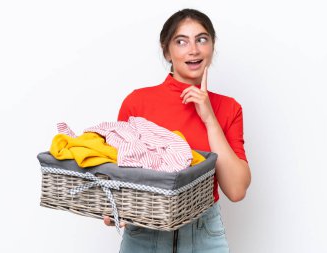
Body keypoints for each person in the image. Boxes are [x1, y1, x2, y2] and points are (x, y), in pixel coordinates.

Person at [104, 8, 251, 253]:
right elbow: (118, 174)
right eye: (181, 41)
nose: (193, 50)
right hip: (145, 232)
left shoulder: (228, 108)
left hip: (204, 234)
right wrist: (114, 208)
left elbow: (236, 190)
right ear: (167, 51)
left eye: (201, 39)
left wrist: (209, 118)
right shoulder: (138, 103)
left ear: (212, 47)